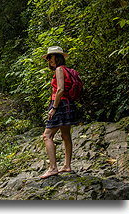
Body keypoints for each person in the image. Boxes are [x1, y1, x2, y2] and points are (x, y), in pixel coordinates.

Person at [40, 46, 79, 179]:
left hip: (60, 104)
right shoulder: (68, 70)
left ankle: (53, 168)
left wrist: (54, 107)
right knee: (65, 135)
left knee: (47, 136)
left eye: (50, 58)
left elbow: (60, 89)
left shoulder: (59, 69)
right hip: (68, 104)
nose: (49, 61)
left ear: (56, 57)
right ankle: (67, 166)